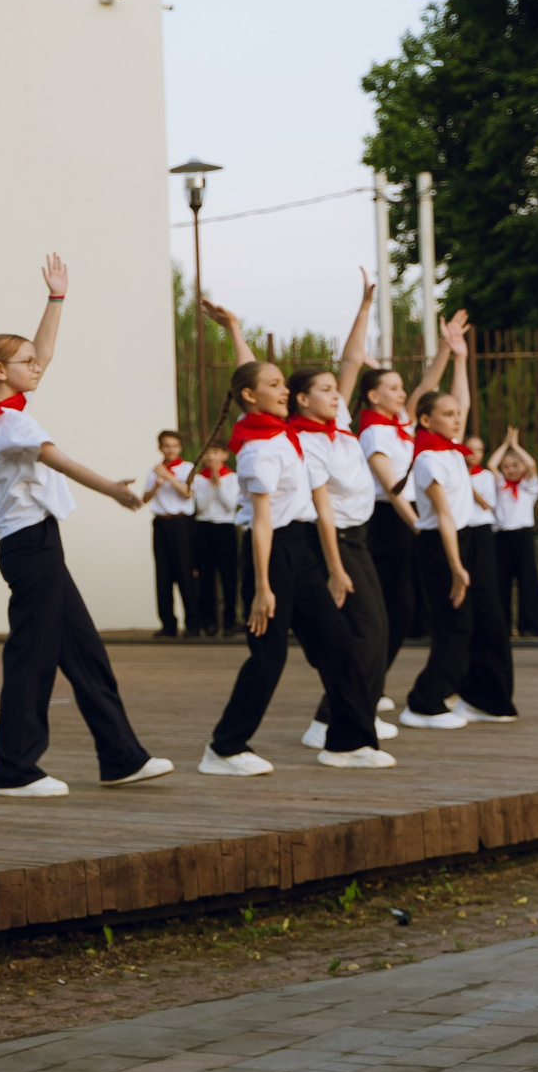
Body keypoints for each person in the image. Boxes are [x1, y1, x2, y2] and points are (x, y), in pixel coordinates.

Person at [0, 257, 171, 798]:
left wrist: (56, 299)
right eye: (25, 362)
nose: (38, 365)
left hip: (37, 543)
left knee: (85, 654)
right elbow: (59, 460)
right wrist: (117, 491)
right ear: (1, 371)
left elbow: (44, 352)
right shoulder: (9, 423)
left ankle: (122, 757)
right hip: (30, 547)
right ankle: (16, 770)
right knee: (32, 658)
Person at [202, 283, 398, 768]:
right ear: (252, 396)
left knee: (340, 649)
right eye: (277, 387)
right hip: (274, 556)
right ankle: (224, 747)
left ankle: (348, 742)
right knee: (268, 658)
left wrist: (234, 330)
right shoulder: (258, 449)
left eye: (285, 386)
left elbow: (254, 378)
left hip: (304, 554)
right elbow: (263, 524)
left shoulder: (281, 432)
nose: (284, 390)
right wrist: (263, 587)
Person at [401, 323, 520, 726]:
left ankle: (485, 699)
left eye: (456, 415)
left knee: (491, 621)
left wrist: (462, 359)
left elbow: (464, 401)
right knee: (456, 625)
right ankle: (423, 703)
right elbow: (445, 517)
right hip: (441, 546)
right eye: (446, 415)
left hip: (469, 540)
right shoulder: (428, 459)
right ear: (425, 420)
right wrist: (456, 566)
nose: (456, 419)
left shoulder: (452, 451)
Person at [352, 316, 460, 707]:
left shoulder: (397, 423)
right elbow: (391, 489)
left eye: (401, 388)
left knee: (406, 607)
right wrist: (419, 527)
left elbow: (426, 386)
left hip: (409, 516)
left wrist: (448, 347)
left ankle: (374, 680)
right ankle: (369, 682)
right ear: (372, 396)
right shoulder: (373, 432)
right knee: (392, 607)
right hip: (389, 521)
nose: (402, 394)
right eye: (392, 388)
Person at [141, 430, 203, 638]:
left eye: (174, 446)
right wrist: (157, 484)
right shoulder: (154, 470)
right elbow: (145, 498)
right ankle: (168, 624)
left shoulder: (188, 468)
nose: (170, 450)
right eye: (166, 446)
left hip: (181, 524)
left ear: (180, 447)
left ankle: (193, 623)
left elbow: (187, 494)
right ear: (160, 448)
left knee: (185, 572)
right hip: (161, 524)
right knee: (163, 574)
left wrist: (169, 477)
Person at [487, 428, 538, 638]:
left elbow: (532, 465)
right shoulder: (500, 485)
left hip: (523, 536)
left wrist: (516, 446)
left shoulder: (529, 487)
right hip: (502, 537)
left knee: (528, 581)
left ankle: (530, 626)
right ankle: (502, 625)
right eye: (507, 466)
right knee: (501, 582)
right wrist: (505, 444)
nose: (511, 470)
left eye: (515, 466)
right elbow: (491, 465)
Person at [190, 441, 240, 635]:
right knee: (205, 576)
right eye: (208, 453)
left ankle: (230, 620)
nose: (211, 457)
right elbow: (201, 506)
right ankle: (208, 621)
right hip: (204, 527)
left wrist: (218, 483)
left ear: (224, 455)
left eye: (216, 452)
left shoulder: (233, 478)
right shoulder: (198, 479)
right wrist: (211, 483)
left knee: (228, 576)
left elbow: (229, 505)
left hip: (225, 527)